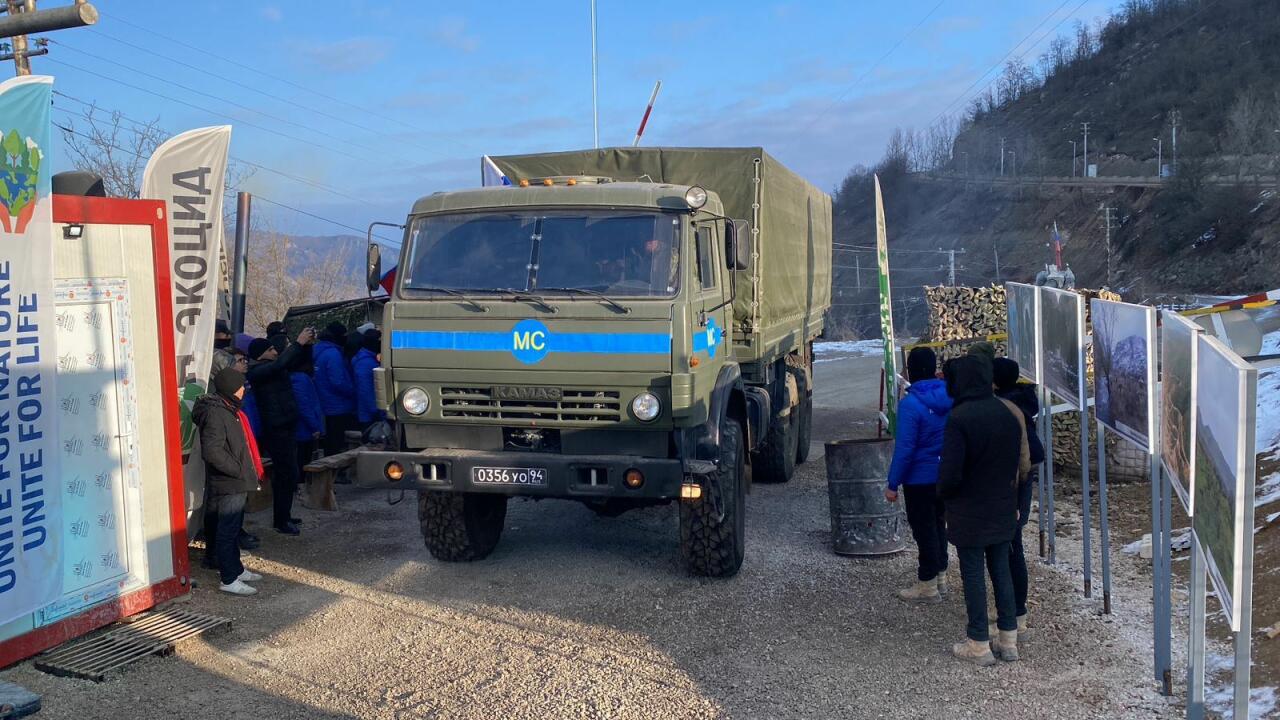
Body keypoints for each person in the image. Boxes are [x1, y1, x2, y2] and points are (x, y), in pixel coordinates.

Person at [938, 354, 1031, 665]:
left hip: (969, 509)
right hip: (1003, 504)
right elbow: (1019, 464)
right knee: (1001, 569)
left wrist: (943, 496)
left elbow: (950, 473)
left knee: (973, 573)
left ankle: (978, 642)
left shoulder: (960, 417)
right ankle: (1008, 639)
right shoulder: (1007, 412)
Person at [885, 347, 953, 604]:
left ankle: (927, 585)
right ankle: (941, 577)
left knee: (924, 531)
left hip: (919, 478)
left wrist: (893, 483)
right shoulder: (951, 396)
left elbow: (905, 449)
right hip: (944, 474)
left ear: (911, 370)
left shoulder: (911, 404)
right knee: (939, 526)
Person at [192, 368, 266, 596]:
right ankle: (229, 578)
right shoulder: (217, 413)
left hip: (231, 480)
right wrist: (238, 470)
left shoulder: (227, 409)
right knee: (228, 529)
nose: (244, 389)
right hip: (229, 481)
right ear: (231, 388)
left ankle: (235, 568)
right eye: (241, 385)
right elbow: (212, 451)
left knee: (228, 528)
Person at [993, 357, 1047, 634]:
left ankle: (1014, 614)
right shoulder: (1024, 398)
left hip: (1013, 480)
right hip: (1025, 476)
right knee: (1014, 544)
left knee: (1010, 547)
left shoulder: (1005, 408)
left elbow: (1018, 456)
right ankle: (1014, 610)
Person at [247, 328, 315, 535]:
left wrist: (307, 346)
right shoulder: (257, 372)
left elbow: (295, 362)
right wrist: (298, 342)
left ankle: (285, 515)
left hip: (286, 425)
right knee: (286, 473)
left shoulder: (272, 368)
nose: (275, 352)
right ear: (260, 354)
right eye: (270, 350)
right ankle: (281, 520)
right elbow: (280, 363)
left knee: (290, 472)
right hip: (276, 429)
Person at [313, 323, 357, 458]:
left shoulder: (316, 350)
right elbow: (338, 381)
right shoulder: (333, 354)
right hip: (338, 405)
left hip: (322, 403)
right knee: (337, 443)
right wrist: (353, 391)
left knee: (329, 442)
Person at [292, 356, 325, 472]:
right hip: (304, 428)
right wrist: (315, 427)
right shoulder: (300, 379)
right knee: (303, 459)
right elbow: (304, 405)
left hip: (303, 426)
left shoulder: (296, 378)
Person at [353, 329, 385, 428]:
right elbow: (365, 390)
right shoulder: (365, 363)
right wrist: (375, 411)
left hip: (368, 412)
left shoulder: (363, 358)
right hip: (370, 415)